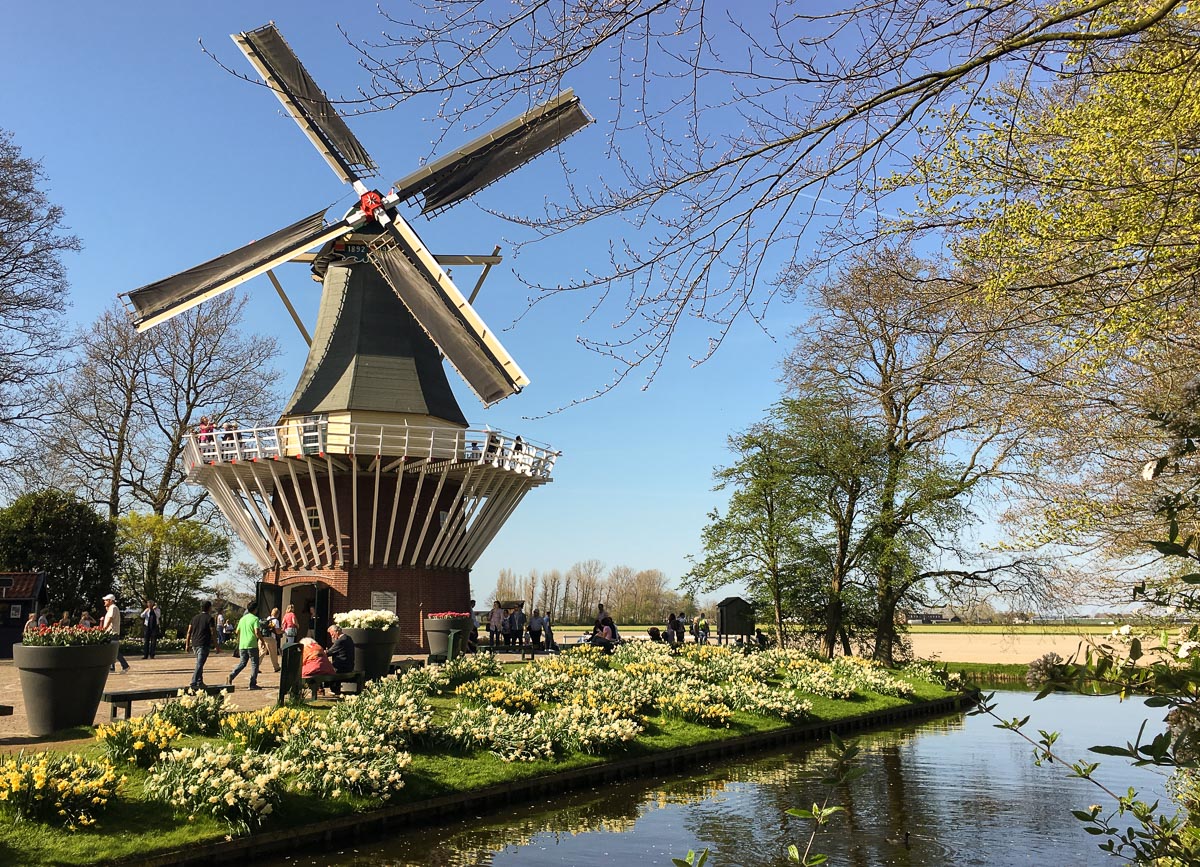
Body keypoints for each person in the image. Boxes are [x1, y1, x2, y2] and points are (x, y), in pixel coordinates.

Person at [228, 602, 262, 690]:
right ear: (255, 609)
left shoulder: (242, 619)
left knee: (242, 663)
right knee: (254, 664)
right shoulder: (255, 619)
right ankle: (252, 683)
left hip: (242, 644)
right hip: (252, 644)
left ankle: (231, 676)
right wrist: (262, 640)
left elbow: (237, 631)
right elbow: (257, 632)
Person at [184, 600, 217, 690]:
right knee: (200, 663)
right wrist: (216, 645)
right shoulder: (210, 618)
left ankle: (199, 681)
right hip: (203, 643)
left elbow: (189, 631)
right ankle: (193, 682)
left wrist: (187, 644)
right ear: (209, 608)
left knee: (200, 662)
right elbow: (213, 632)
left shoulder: (194, 618)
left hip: (195, 643)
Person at [101, 593, 130, 673]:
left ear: (110, 601)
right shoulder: (112, 608)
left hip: (112, 632)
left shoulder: (113, 608)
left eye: (106, 600)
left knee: (114, 651)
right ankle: (112, 667)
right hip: (111, 632)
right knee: (112, 651)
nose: (104, 602)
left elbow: (110, 619)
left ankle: (125, 666)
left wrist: (104, 629)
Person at [325, 624, 355, 694]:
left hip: (341, 668)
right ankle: (335, 688)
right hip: (350, 665)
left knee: (325, 669)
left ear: (337, 632)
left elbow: (329, 653)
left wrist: (324, 652)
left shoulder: (340, 641)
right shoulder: (349, 638)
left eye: (332, 634)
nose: (332, 636)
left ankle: (332, 689)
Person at [259, 607, 282, 673]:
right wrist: (283, 631)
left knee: (262, 652)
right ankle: (276, 667)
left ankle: (256, 666)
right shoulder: (275, 621)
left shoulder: (267, 619)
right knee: (273, 653)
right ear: (278, 614)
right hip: (271, 638)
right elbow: (277, 631)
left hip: (263, 637)